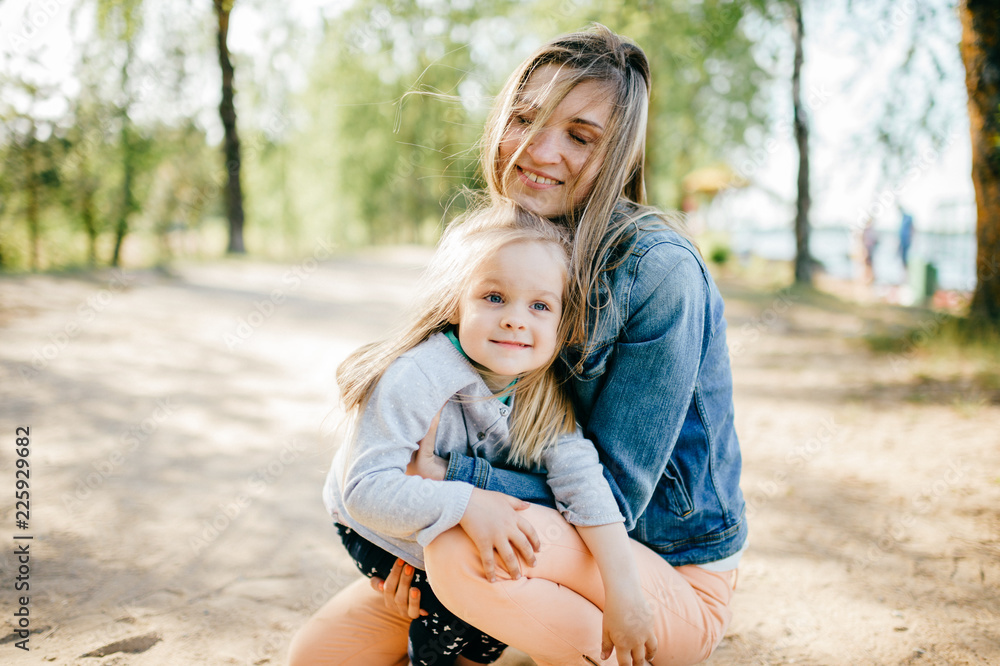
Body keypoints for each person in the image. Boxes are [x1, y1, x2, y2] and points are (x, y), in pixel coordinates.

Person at [290, 24, 746, 666]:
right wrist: (400, 547)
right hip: (528, 540)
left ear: (616, 156)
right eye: (525, 118)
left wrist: (453, 488)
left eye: (580, 136)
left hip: (652, 567)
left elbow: (608, 495)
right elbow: (417, 431)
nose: (538, 150)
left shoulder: (657, 272)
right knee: (316, 658)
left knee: (459, 551)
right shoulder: (503, 247)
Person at [314, 200, 655, 666]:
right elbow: (365, 490)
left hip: (448, 520)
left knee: (489, 593)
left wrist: (625, 593)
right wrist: (468, 503)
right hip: (373, 525)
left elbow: (583, 484)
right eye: (494, 297)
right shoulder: (420, 376)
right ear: (457, 302)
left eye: (539, 305)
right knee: (453, 604)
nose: (516, 318)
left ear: (560, 322)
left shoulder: (541, 391)